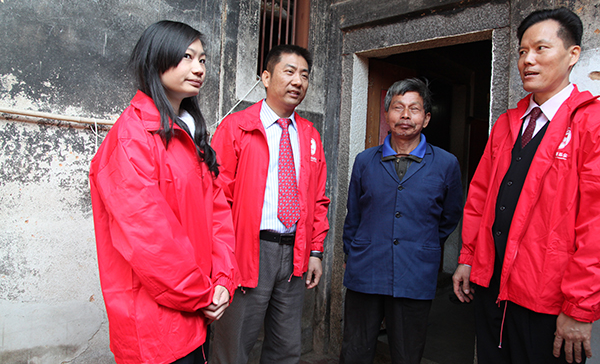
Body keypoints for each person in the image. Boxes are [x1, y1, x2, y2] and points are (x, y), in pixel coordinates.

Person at [452, 7, 600, 364]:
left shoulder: (591, 123)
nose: (527, 60)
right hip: (490, 288)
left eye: (540, 49)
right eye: (522, 51)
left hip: (547, 298)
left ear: (572, 55)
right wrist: (468, 258)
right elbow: (480, 198)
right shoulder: (508, 123)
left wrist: (580, 307)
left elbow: (596, 223)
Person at [89, 20, 238, 364]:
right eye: (187, 57)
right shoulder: (132, 138)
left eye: (203, 60)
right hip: (156, 322)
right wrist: (203, 293)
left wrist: (222, 280)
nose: (199, 68)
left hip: (198, 307)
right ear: (157, 58)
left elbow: (218, 216)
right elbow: (150, 239)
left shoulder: (189, 134)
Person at [210, 44, 330, 364]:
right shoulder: (236, 127)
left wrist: (315, 251)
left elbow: (318, 199)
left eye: (304, 75)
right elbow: (216, 198)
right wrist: (221, 259)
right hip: (247, 251)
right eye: (289, 72)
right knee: (233, 345)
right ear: (266, 77)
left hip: (294, 253)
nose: (298, 81)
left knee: (285, 347)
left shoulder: (309, 135)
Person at [339, 78, 463, 364]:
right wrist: (351, 253)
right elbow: (354, 213)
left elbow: (450, 216)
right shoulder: (365, 161)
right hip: (366, 269)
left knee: (407, 354)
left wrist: (422, 243)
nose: (405, 115)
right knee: (355, 350)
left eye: (414, 109)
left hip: (415, 272)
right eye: (398, 107)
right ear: (387, 114)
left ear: (426, 118)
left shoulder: (446, 163)